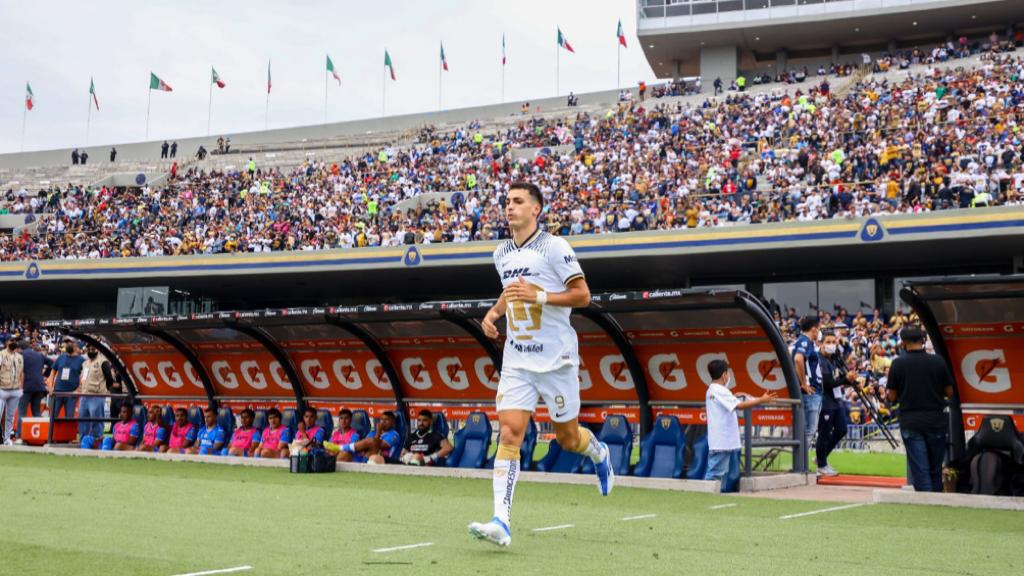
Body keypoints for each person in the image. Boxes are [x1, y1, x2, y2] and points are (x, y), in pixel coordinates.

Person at [468, 181, 611, 549]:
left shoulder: (554, 247)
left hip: (557, 360)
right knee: (510, 432)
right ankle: (501, 520)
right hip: (518, 360)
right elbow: (510, 288)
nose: (509, 207)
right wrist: (494, 314)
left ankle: (598, 452)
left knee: (567, 438)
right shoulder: (501, 252)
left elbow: (583, 295)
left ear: (536, 209)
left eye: (518, 201)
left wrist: (541, 295)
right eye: (507, 201)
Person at [886, 325, 954, 492]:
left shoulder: (898, 364)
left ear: (903, 343)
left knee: (920, 470)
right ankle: (937, 502)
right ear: (923, 340)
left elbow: (892, 397)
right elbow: (949, 391)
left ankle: (926, 505)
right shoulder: (937, 361)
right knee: (935, 469)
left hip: (911, 421)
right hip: (936, 420)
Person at [703, 359, 776, 490]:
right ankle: (704, 497)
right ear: (724, 375)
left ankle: (713, 496)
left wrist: (735, 396)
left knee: (719, 473)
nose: (729, 376)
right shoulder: (720, 390)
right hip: (721, 441)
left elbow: (732, 401)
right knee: (714, 474)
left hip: (720, 441)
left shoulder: (713, 390)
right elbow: (740, 405)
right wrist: (762, 400)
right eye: (728, 373)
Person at [815, 332, 857, 476]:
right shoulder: (819, 359)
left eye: (834, 341)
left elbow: (836, 380)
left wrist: (847, 380)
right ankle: (821, 465)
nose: (832, 344)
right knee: (824, 433)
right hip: (825, 401)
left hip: (836, 400)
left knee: (842, 429)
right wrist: (846, 379)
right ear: (821, 343)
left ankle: (821, 457)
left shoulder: (833, 359)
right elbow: (827, 383)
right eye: (828, 341)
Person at [792, 315, 822, 451]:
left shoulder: (805, 342)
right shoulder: (804, 341)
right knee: (809, 431)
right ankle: (801, 466)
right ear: (814, 329)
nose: (819, 332)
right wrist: (804, 383)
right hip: (810, 393)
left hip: (812, 392)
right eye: (819, 329)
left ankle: (801, 465)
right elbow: (798, 359)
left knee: (809, 431)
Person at [336, 411, 402, 464]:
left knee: (372, 441)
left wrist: (378, 431)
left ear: (393, 422)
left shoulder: (394, 435)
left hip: (383, 458)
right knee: (345, 454)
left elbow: (377, 445)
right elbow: (364, 444)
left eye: (386, 420)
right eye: (381, 419)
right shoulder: (373, 432)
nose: (383, 422)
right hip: (366, 456)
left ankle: (342, 447)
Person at [78, 346, 112, 444]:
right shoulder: (85, 363)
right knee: (82, 419)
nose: (90, 351)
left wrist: (104, 390)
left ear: (97, 350)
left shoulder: (103, 362)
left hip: (97, 395)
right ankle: (83, 441)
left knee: (97, 419)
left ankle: (97, 440)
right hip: (84, 395)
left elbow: (109, 379)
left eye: (93, 349)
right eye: (88, 349)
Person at [51, 341, 85, 430]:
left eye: (71, 344)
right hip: (58, 391)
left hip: (71, 393)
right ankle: (52, 437)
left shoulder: (81, 360)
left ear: (76, 347)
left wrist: (78, 389)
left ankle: (67, 438)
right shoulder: (61, 357)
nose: (69, 346)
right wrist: (51, 387)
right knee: (53, 415)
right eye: (68, 344)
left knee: (69, 417)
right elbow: (53, 372)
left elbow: (84, 376)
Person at [18, 339, 52, 420]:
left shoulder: (20, 355)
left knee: (22, 413)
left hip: (26, 387)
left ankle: (20, 433)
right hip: (39, 386)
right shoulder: (39, 355)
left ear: (19, 348)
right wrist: (45, 375)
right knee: (36, 412)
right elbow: (53, 364)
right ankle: (39, 432)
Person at [0, 337, 25, 445]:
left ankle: (7, 438)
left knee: (10, 416)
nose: (13, 343)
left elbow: (21, 373)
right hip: (2, 388)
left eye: (15, 341)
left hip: (15, 389)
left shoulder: (19, 356)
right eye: (11, 341)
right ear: (7, 342)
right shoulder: (1, 354)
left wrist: (21, 386)